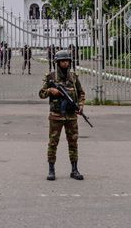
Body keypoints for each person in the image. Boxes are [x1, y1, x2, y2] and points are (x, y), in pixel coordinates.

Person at [39, 50, 85, 181]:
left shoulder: (74, 77)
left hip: (71, 116)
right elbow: (41, 94)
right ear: (57, 63)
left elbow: (81, 93)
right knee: (53, 143)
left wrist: (81, 106)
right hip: (56, 116)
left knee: (73, 143)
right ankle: (51, 170)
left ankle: (74, 169)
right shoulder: (51, 77)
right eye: (63, 61)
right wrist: (50, 90)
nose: (66, 63)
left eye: (67, 61)